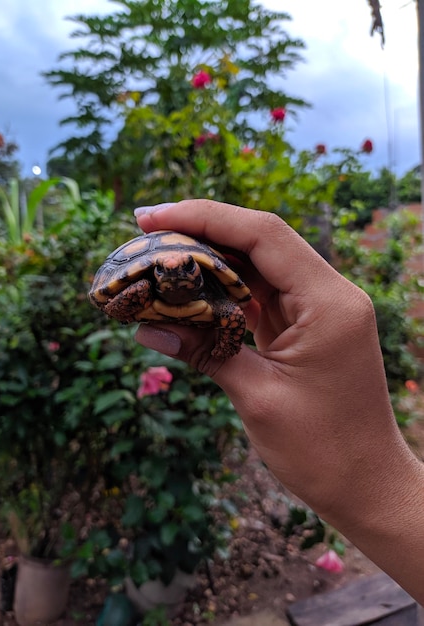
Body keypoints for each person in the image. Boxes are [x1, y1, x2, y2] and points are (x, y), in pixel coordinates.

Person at [133, 199, 424, 605]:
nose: (173, 275)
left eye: (185, 269)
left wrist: (381, 488)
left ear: (197, 272)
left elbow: (232, 313)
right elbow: (122, 292)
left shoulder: (216, 296)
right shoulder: (149, 281)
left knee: (230, 318)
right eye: (163, 272)